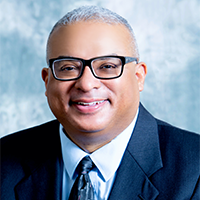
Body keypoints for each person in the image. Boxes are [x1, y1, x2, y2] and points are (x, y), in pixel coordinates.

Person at [0, 6, 200, 200]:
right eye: (68, 68)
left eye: (107, 66)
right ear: (47, 80)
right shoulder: (4, 162)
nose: (86, 84)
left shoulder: (195, 169)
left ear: (139, 77)